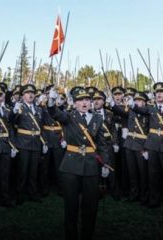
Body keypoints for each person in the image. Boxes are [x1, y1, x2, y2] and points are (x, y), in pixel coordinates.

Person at [47, 86, 108, 240]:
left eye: (87, 99)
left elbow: (102, 144)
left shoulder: (98, 119)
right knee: (71, 205)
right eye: (80, 100)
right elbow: (54, 113)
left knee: (91, 206)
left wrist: (105, 163)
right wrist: (51, 101)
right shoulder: (69, 117)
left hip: (91, 167)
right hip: (71, 166)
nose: (84, 103)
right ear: (74, 104)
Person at [130, 82, 163, 211]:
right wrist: (131, 104)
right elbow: (139, 109)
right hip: (152, 146)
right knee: (153, 175)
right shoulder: (151, 108)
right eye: (156, 93)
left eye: (161, 92)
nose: (158, 94)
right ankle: (154, 200)